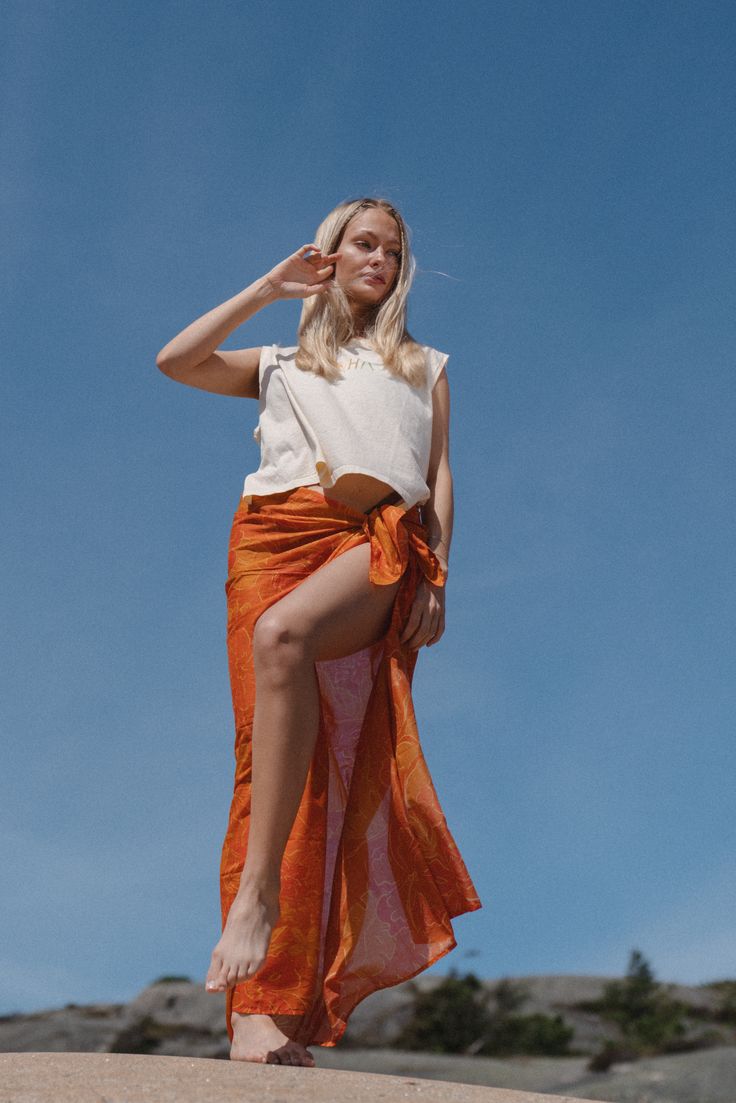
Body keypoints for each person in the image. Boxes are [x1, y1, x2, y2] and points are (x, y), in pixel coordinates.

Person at [156, 197, 481, 1068]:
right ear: (329, 255)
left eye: (392, 249)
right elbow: (174, 361)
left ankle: (257, 894)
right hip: (268, 537)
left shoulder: (424, 364)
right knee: (275, 772)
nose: (379, 258)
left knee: (285, 637)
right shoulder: (282, 362)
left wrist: (438, 575)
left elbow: (440, 473)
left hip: (375, 539)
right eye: (363, 244)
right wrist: (268, 286)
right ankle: (262, 1015)